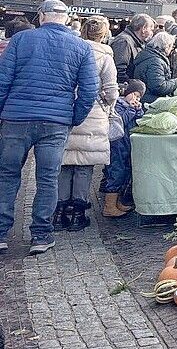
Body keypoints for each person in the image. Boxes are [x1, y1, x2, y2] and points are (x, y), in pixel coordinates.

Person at [0, 0, 99, 255]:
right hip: (55, 121)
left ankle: (1, 232)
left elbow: (3, 79)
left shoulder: (21, 40)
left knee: (8, 175)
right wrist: (73, 117)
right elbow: (90, 89)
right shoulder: (81, 47)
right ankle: (41, 235)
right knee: (47, 179)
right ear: (65, 19)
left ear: (42, 16)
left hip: (16, 118)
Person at [53, 16, 120, 232]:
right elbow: (111, 89)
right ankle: (77, 214)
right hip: (93, 112)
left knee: (65, 161)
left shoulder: (71, 50)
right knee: (84, 165)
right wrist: (109, 104)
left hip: (67, 110)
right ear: (104, 34)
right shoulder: (105, 56)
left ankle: (60, 211)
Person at [103, 80, 145, 217]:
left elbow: (139, 119)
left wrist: (139, 110)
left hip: (126, 145)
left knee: (124, 172)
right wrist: (132, 109)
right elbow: (121, 121)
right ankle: (109, 206)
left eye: (139, 97)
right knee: (116, 172)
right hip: (117, 145)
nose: (136, 99)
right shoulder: (119, 105)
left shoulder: (131, 106)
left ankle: (117, 202)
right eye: (134, 94)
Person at [133, 31, 177, 103]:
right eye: (171, 46)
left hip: (144, 97)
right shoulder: (156, 62)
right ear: (166, 46)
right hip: (151, 101)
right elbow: (158, 87)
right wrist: (175, 82)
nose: (172, 49)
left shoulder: (147, 54)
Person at [111, 14, 155, 83]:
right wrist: (132, 85)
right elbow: (119, 69)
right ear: (143, 28)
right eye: (151, 30)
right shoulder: (124, 42)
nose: (152, 33)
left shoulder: (135, 42)